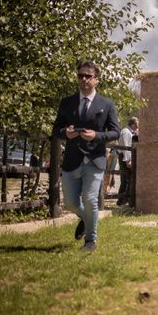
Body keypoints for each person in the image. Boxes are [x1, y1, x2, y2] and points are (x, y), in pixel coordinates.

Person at [52, 60, 120, 252]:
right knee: (70, 203)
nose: (83, 79)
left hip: (95, 160)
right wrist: (66, 132)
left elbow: (115, 132)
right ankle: (85, 217)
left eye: (87, 76)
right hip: (72, 160)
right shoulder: (67, 102)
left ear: (96, 80)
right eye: (80, 75)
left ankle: (91, 240)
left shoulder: (107, 104)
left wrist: (96, 136)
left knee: (90, 199)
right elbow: (55, 130)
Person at [117, 117, 139, 205]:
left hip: (126, 157)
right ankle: (121, 200)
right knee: (125, 179)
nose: (137, 127)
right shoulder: (126, 132)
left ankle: (124, 199)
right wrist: (127, 160)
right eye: (137, 125)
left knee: (128, 179)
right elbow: (126, 147)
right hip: (125, 157)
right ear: (133, 124)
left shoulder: (129, 132)